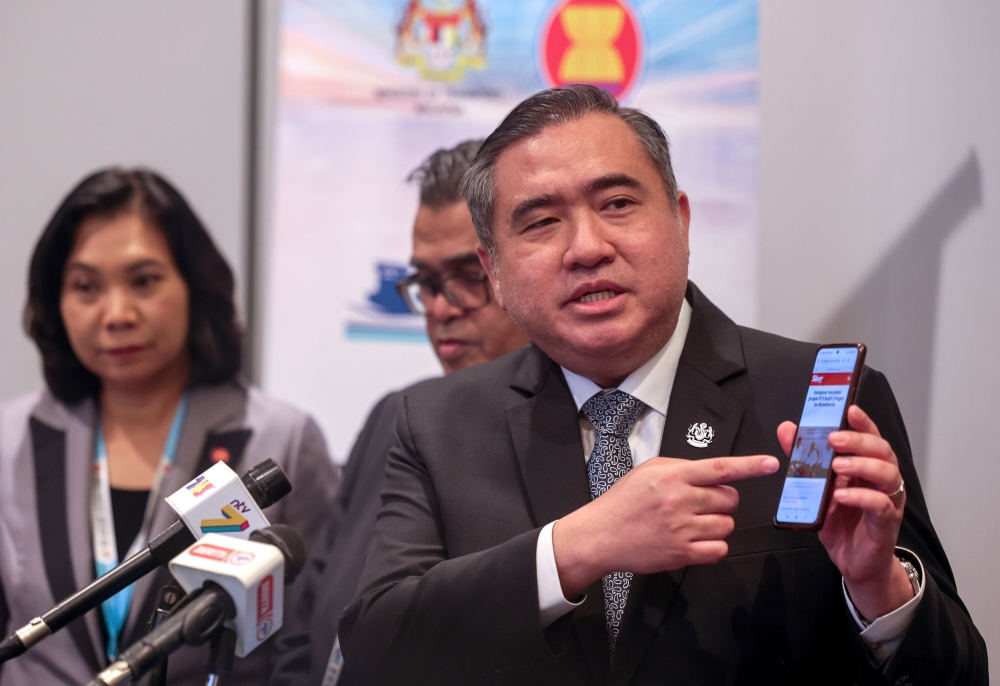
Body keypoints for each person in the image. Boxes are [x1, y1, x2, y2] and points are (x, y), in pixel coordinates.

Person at [338, 86, 987, 684]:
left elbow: (956, 673)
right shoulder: (434, 421)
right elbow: (376, 648)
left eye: (617, 204)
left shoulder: (816, 396)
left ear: (680, 220)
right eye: (541, 222)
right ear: (494, 269)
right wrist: (576, 547)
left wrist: (878, 588)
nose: (586, 247)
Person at [0, 168, 340, 686]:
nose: (117, 314)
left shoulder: (282, 438)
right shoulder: (10, 439)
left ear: (194, 285)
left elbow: (313, 639)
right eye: (86, 287)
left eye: (144, 281)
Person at [269, 140, 529, 685]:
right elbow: (308, 622)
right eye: (427, 284)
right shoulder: (395, 414)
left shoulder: (575, 436)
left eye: (467, 277)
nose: (439, 308)